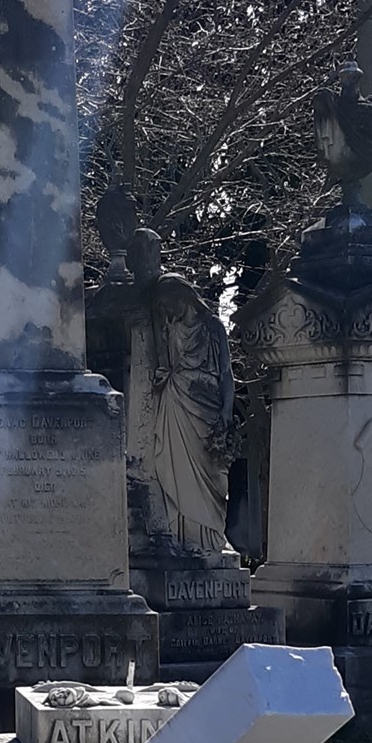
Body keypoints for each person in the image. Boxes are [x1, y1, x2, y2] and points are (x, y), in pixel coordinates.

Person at [127, 229, 235, 555]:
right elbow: (162, 363)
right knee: (173, 470)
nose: (167, 310)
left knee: (213, 476)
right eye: (162, 306)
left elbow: (227, 373)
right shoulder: (168, 328)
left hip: (207, 406)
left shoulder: (213, 327)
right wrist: (162, 377)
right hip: (175, 402)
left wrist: (228, 411)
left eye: (170, 303)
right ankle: (184, 536)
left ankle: (213, 537)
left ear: (185, 297)